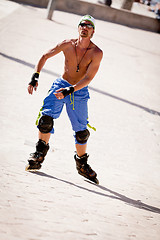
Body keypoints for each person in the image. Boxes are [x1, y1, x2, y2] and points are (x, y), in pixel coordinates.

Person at [26, 15, 103, 183]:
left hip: (79, 91)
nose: (85, 27)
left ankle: (82, 164)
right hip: (61, 85)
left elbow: (88, 78)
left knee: (82, 133)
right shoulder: (67, 44)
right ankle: (39, 154)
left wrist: (71, 90)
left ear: (93, 31)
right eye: (82, 24)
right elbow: (45, 56)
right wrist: (35, 76)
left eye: (89, 26)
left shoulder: (97, 53)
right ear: (78, 28)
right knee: (46, 120)